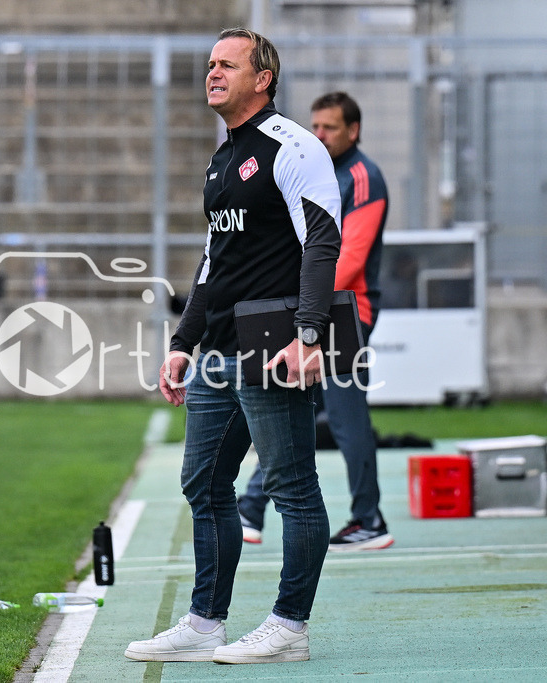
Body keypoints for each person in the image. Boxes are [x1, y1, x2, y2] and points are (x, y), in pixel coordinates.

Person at [124, 27, 341, 665]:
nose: (213, 73)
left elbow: (322, 244)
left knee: (292, 484)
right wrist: (182, 341)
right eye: (210, 64)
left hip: (273, 344)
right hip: (218, 351)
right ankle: (204, 622)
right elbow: (212, 264)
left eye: (227, 64)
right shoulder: (223, 158)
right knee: (203, 482)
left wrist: (309, 336)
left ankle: (288, 627)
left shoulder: (294, 146)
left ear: (262, 77)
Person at [237, 91, 392, 551]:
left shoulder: (364, 178)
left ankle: (369, 519)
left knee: (346, 419)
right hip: (312, 308)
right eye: (316, 126)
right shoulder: (316, 167)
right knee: (289, 409)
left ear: (353, 131)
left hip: (346, 311)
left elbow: (349, 259)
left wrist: (307, 308)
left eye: (329, 128)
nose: (318, 134)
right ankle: (252, 505)